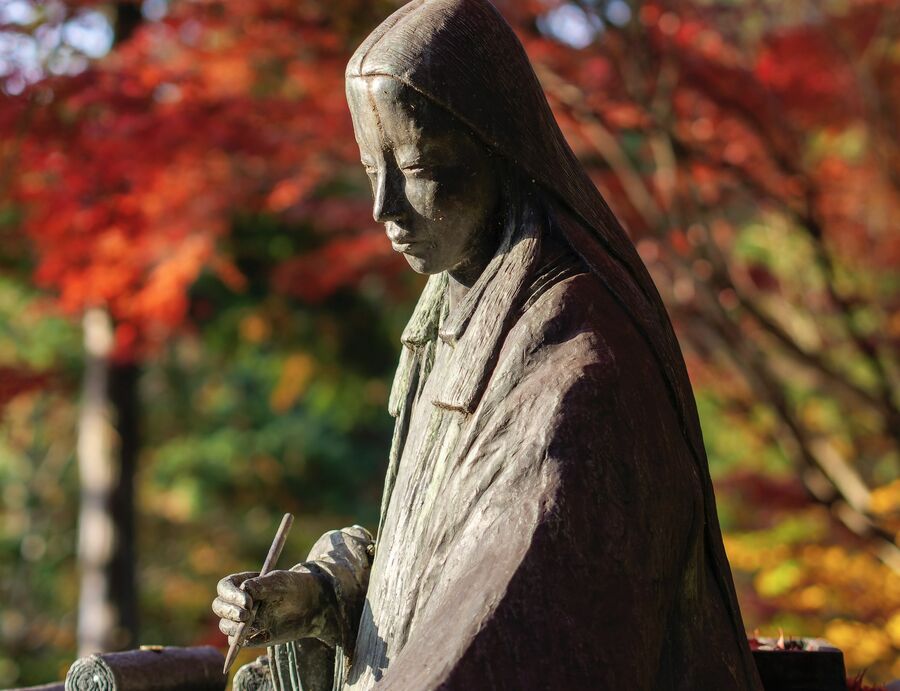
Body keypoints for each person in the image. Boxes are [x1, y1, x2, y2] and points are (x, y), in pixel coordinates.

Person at [213, 1, 764, 689]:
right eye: (371, 169)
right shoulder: (451, 312)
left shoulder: (576, 371)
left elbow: (503, 626)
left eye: (417, 167)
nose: (383, 207)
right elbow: (437, 565)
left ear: (501, 150)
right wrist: (323, 591)